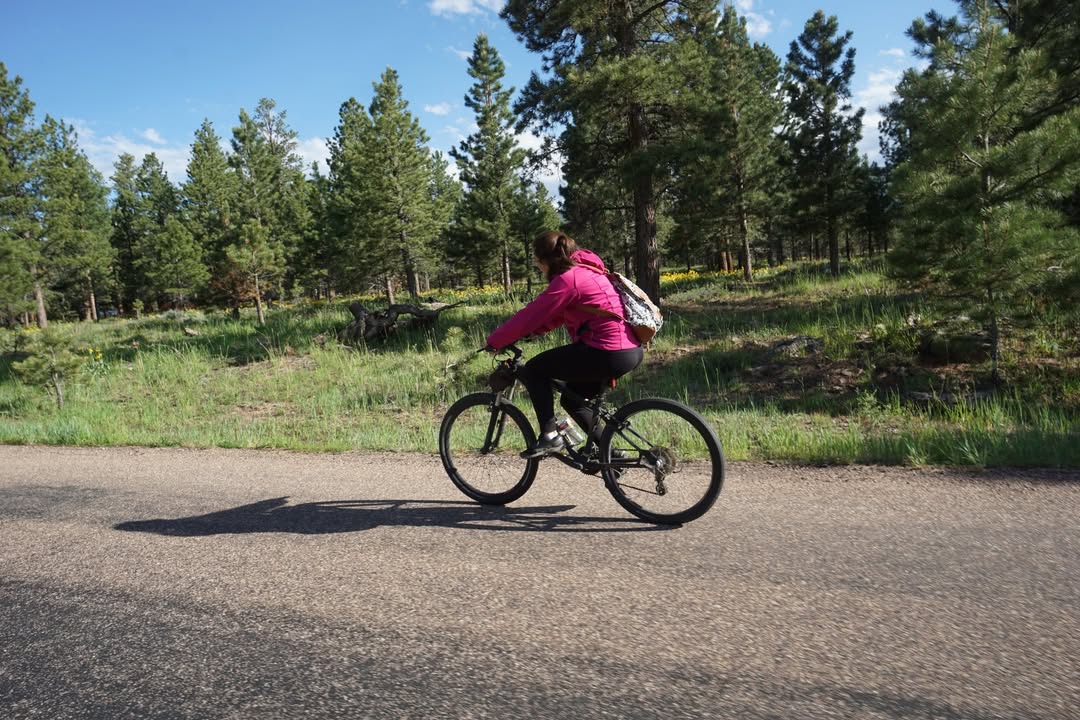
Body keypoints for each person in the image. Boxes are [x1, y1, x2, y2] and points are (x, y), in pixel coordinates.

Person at [486, 230, 644, 458]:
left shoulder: (568, 279)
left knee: (535, 370)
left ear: (545, 260)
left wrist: (496, 340)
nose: (538, 268)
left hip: (606, 351)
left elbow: (532, 313)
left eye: (537, 262)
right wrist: (533, 333)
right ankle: (609, 453)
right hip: (628, 350)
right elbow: (560, 314)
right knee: (573, 400)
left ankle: (550, 436)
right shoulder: (587, 272)